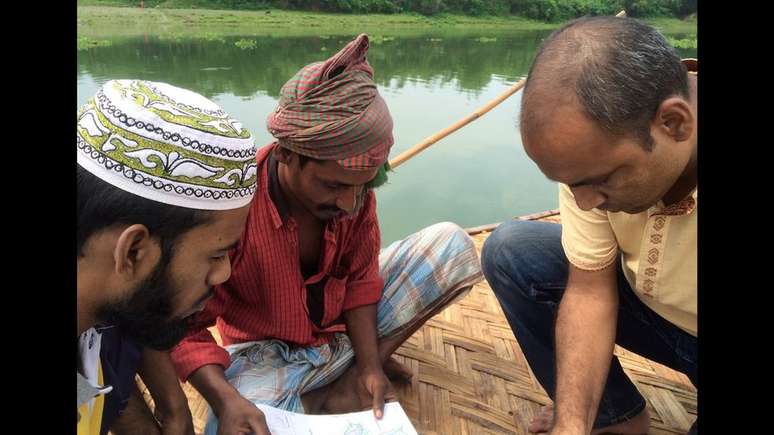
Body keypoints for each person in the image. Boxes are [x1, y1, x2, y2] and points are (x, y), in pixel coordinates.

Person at [168, 34, 484, 435]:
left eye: (363, 186)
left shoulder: (354, 197)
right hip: (266, 349)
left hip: (338, 330)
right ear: (286, 154)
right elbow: (184, 325)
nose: (350, 204)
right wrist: (227, 399)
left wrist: (370, 366)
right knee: (231, 419)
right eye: (333, 186)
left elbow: (362, 281)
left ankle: (354, 372)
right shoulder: (233, 210)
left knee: (452, 246)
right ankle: (326, 384)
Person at [481, 16, 698, 434]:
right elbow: (588, 292)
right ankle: (614, 417)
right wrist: (573, 422)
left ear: (673, 124)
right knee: (513, 251)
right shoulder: (591, 156)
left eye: (600, 180)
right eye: (571, 184)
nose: (584, 203)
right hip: (663, 319)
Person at [77, 79, 258, 435]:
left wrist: (174, 408)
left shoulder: (103, 302)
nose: (223, 274)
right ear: (133, 251)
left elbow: (143, 312)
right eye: (216, 255)